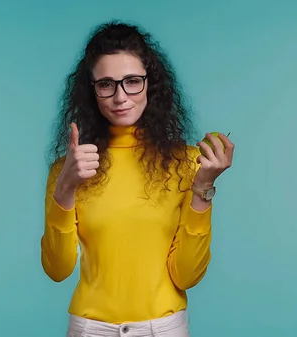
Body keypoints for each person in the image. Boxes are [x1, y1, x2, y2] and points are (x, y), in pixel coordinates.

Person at [40, 21, 234, 337]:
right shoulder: (70, 168)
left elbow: (185, 276)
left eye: (132, 81)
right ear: (92, 92)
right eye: (106, 84)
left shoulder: (185, 162)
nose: (120, 97)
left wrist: (203, 188)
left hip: (164, 328)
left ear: (151, 85)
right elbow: (57, 270)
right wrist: (65, 188)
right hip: (91, 329)